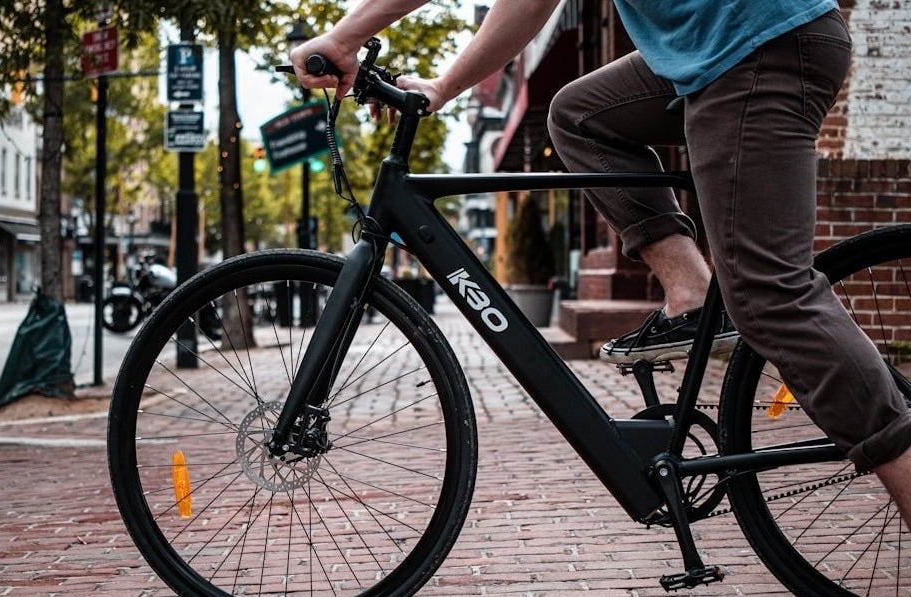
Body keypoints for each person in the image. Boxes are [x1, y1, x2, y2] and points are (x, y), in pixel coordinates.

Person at [292, 0, 911, 529]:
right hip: (714, 48)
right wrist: (442, 85)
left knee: (769, 296)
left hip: (758, 46)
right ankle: (690, 293)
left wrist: (348, 38)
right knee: (578, 116)